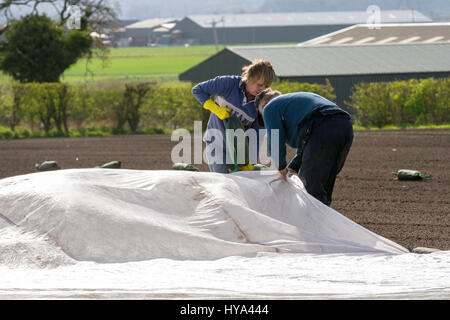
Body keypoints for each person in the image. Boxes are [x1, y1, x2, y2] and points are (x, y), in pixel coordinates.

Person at [255, 89, 354, 206]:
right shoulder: (295, 102)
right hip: (346, 127)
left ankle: (315, 222)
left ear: (263, 105)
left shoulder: (269, 107)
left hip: (322, 127)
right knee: (324, 185)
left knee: (311, 191)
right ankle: (323, 221)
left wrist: (280, 168)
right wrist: (292, 167)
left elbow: (276, 138)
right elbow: (306, 143)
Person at [192, 59, 275, 173]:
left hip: (238, 153)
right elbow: (198, 90)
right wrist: (214, 108)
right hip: (217, 144)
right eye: (259, 84)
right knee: (224, 180)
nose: (261, 89)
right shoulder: (228, 83)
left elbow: (256, 136)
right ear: (249, 77)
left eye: (265, 86)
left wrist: (250, 162)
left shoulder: (261, 104)